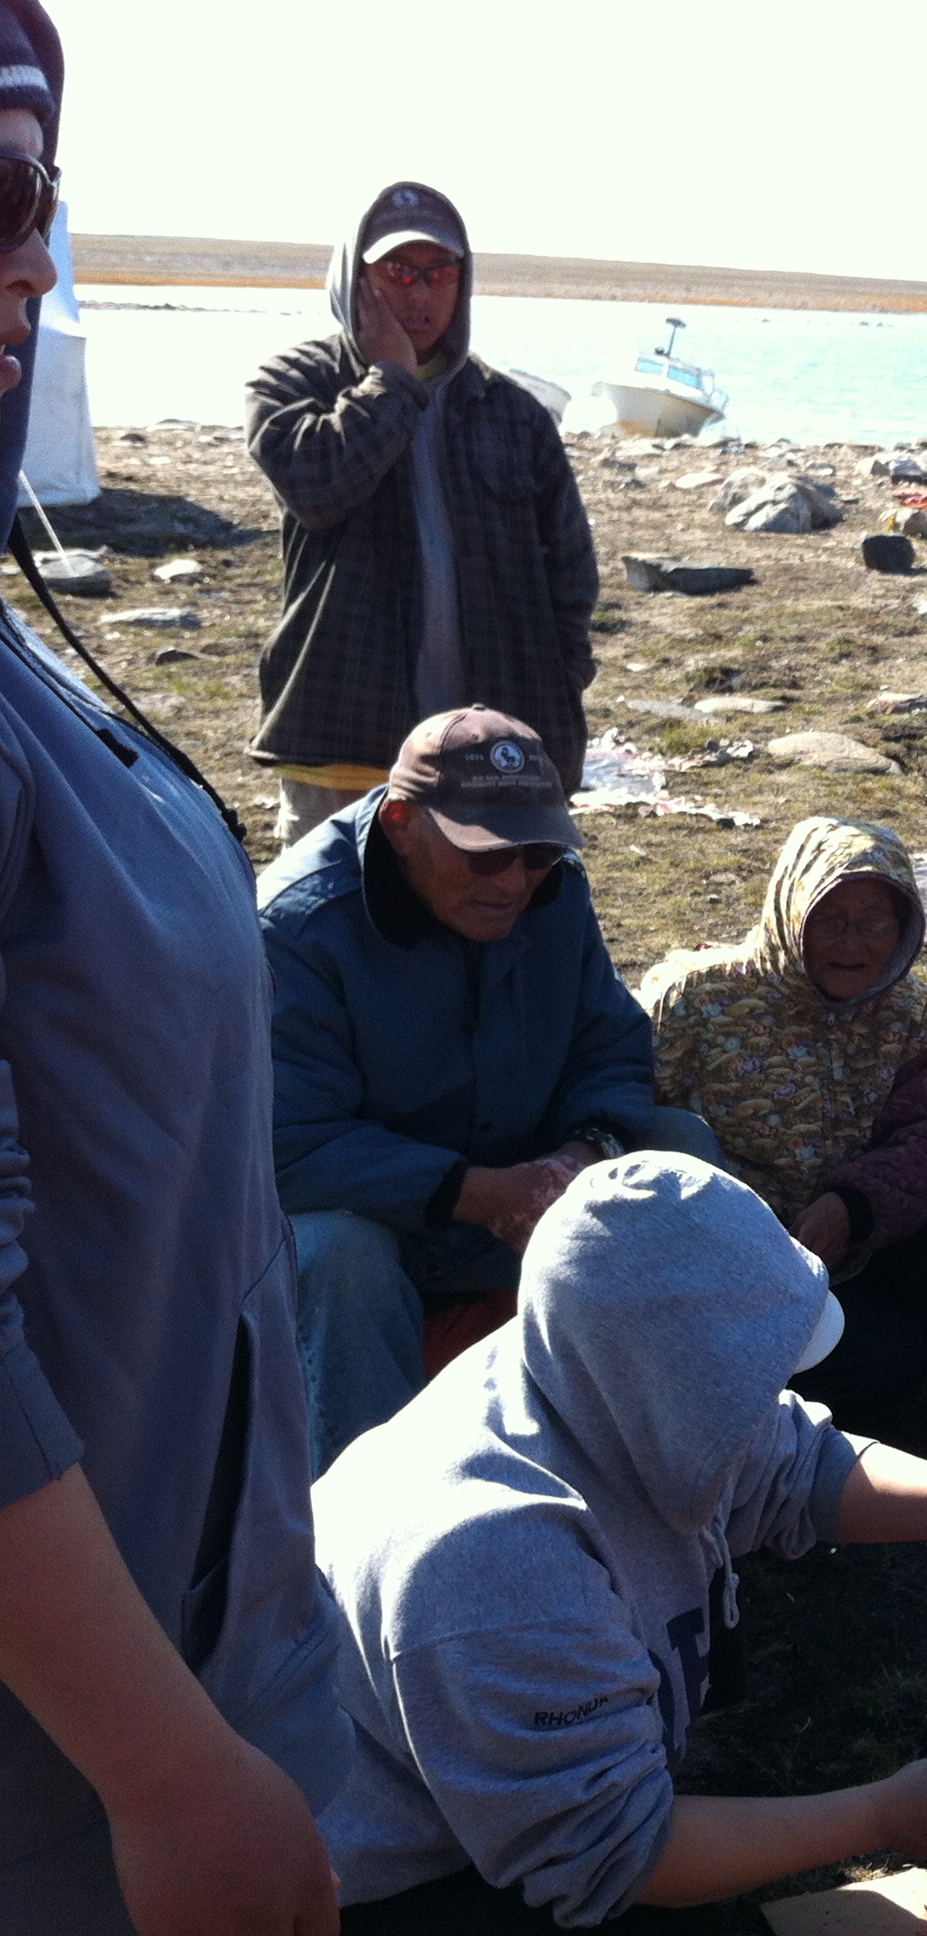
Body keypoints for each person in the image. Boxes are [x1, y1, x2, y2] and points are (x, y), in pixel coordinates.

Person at [0, 6, 352, 1923]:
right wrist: (161, 1767)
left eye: (37, 195)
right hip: (67, 1779)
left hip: (197, 1622)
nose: (33, 261)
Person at [315, 1152, 927, 1929]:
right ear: (674, 1380)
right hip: (371, 1889)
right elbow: (612, 1853)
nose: (775, 1401)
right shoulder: (493, 1559)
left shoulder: (596, 1371)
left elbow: (795, 1467)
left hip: (496, 1806)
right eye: (750, 1384)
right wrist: (883, 1816)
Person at [259, 707, 714, 1474]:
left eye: (536, 852)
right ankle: (377, 1515)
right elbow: (286, 1143)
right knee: (340, 1257)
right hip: (380, 1223)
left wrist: (582, 1153)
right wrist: (477, 1194)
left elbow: (610, 1044)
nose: (512, 880)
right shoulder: (298, 929)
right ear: (401, 824)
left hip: (521, 1193)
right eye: (484, 855)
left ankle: (684, 1463)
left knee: (681, 1153)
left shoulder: (554, 890)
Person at [248, 180, 597, 848]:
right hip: (344, 741)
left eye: (439, 273)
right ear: (354, 279)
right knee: (335, 910)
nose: (420, 294)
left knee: (493, 908)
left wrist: (557, 686)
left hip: (491, 749)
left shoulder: (511, 410)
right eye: (398, 271)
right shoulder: (294, 384)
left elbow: (571, 575)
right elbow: (318, 489)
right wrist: (392, 381)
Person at [642, 817, 927, 1426]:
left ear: (904, 926)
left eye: (874, 922)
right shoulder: (697, 999)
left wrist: (852, 1206)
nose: (852, 944)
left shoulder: (905, 1009)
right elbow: (630, 1127)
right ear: (792, 914)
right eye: (830, 920)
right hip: (735, 1261)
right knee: (889, 1361)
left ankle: (850, 1327)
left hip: (852, 1239)